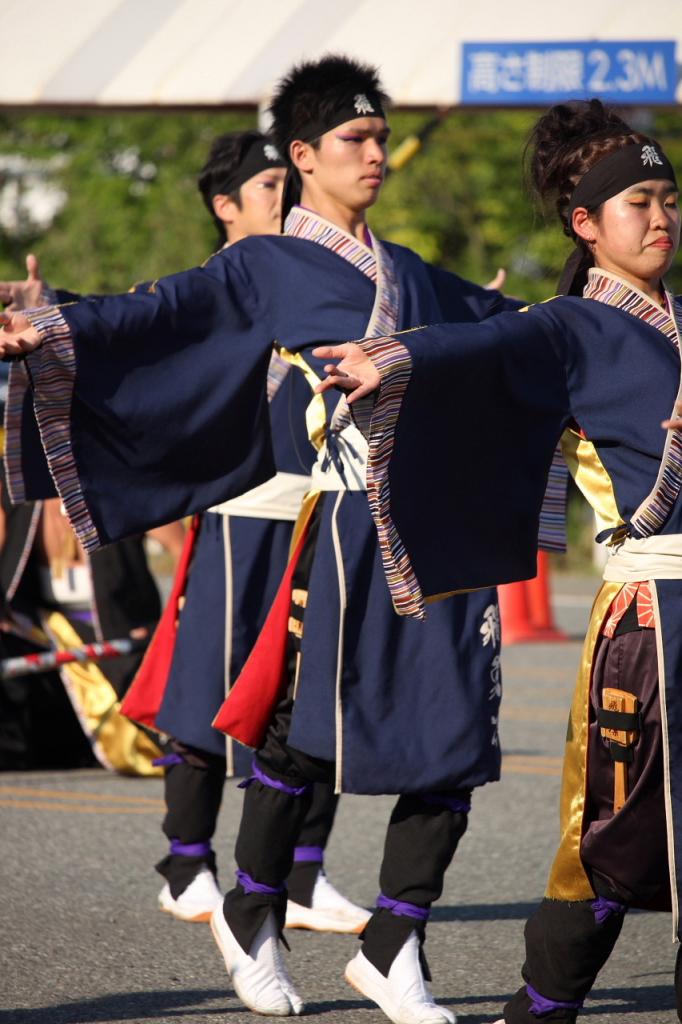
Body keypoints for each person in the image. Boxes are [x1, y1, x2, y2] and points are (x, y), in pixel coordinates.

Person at [0, 55, 522, 1023]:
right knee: (307, 739)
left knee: (456, 741)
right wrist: (58, 324)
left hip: (429, 530)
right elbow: (161, 313)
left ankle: (398, 939)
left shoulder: (404, 269)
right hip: (335, 533)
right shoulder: (265, 262)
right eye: (353, 141)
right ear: (304, 155)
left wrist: (542, 325)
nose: (374, 155)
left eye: (378, 138)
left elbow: (503, 326)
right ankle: (250, 909)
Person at [314, 98, 682, 1023]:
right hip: (653, 622)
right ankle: (539, 1007)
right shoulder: (570, 326)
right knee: (605, 846)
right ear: (586, 224)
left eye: (668, 198)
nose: (663, 217)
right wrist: (388, 360)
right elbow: (478, 344)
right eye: (639, 201)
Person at [121, 130, 369, 933]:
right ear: (225, 208)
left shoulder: (325, 284)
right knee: (204, 689)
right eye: (268, 187)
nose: (286, 200)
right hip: (241, 515)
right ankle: (185, 860)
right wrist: (54, 311)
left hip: (314, 508)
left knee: (315, 691)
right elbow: (133, 336)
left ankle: (304, 873)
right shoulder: (209, 288)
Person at [0, 467, 184, 773]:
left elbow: (181, 547)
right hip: (43, 626)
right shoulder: (19, 485)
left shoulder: (122, 482)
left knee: (143, 733)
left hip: (117, 632)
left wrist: (173, 617)